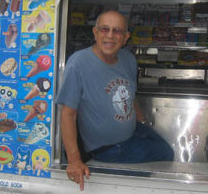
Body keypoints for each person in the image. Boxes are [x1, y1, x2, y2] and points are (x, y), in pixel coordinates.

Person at [55, 10, 173, 191]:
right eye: (105, 29)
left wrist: (138, 114)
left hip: (132, 130)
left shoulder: (129, 59)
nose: (110, 36)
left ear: (126, 37)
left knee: (163, 147)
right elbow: (68, 114)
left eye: (117, 31)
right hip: (110, 148)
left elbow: (130, 91)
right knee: (166, 153)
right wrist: (74, 160)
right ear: (95, 32)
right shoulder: (78, 64)